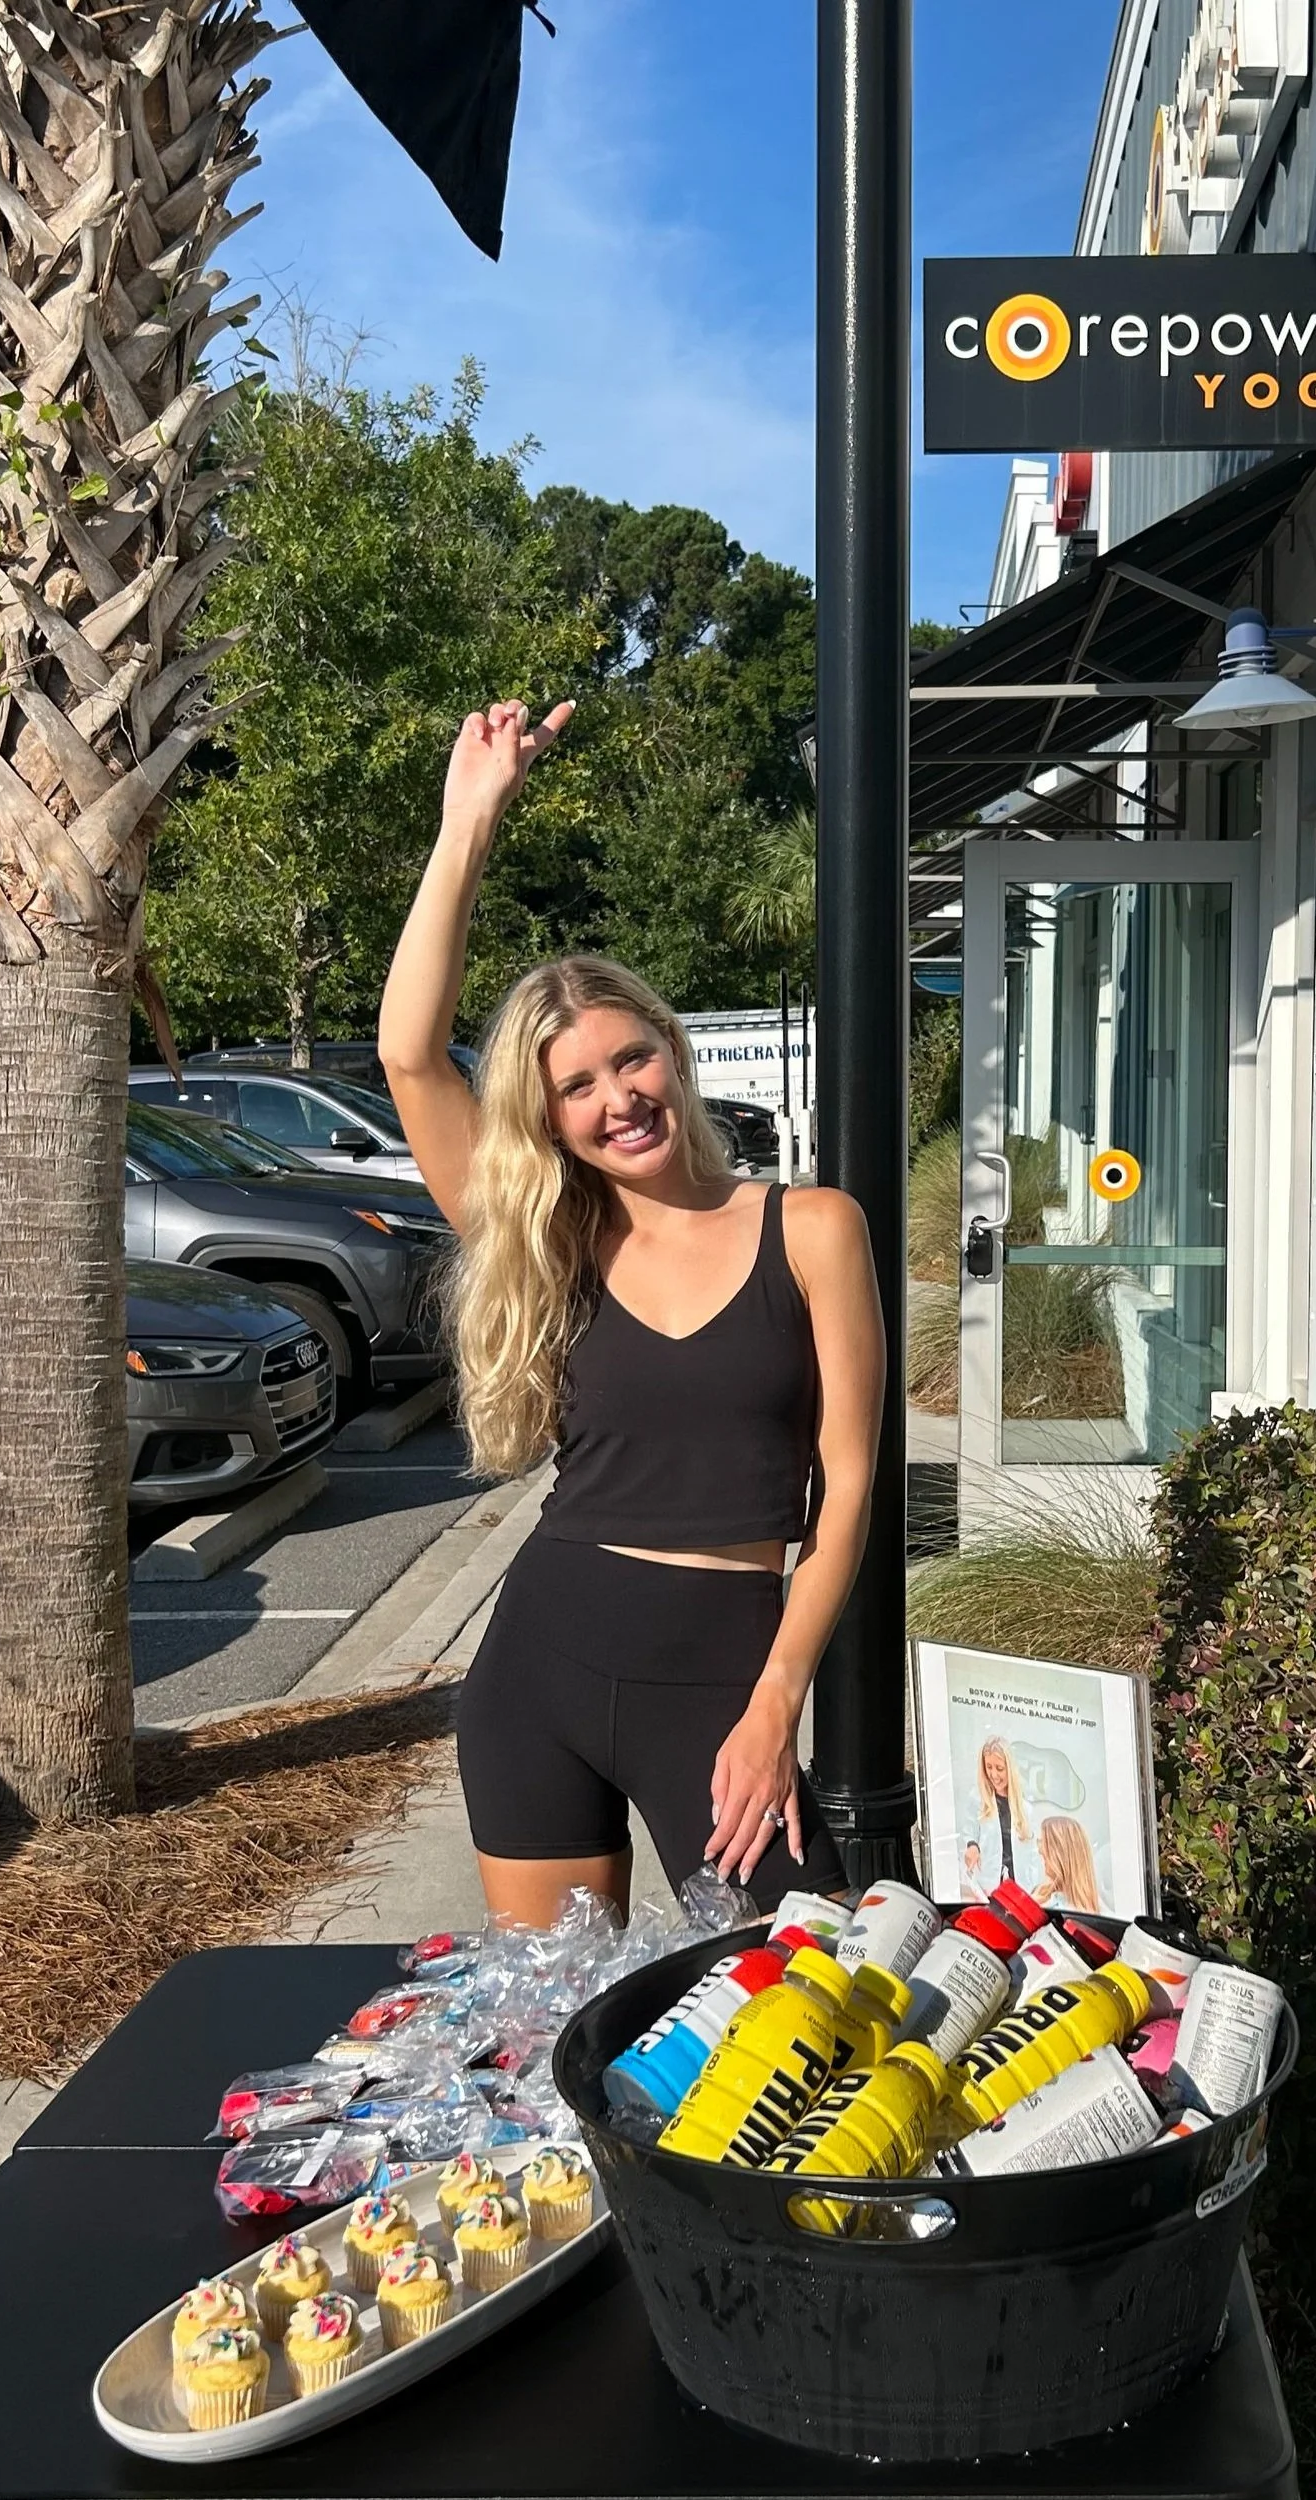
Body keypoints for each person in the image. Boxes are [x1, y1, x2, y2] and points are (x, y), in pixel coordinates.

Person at [379, 700, 884, 1926]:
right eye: (577, 1086)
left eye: (631, 1058)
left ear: (673, 1048)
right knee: (545, 2027)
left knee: (799, 2020)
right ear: (547, 1119)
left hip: (723, 1673)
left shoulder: (810, 1228)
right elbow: (408, 1053)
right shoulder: (551, 1240)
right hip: (541, 1661)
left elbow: (850, 1489)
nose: (618, 1099)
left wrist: (775, 1710)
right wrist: (467, 827)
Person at [974, 1734, 1029, 1888]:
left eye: (999, 1768)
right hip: (988, 1885)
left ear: (1010, 1769)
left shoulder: (1025, 1808)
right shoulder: (979, 1802)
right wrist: (972, 1846)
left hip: (1019, 1887)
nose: (994, 1775)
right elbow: (969, 1833)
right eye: (989, 1767)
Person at [1035, 1814, 1101, 1914]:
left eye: (1044, 1843)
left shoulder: (1065, 1912)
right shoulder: (1042, 1894)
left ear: (1060, 1854)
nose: (1040, 1850)